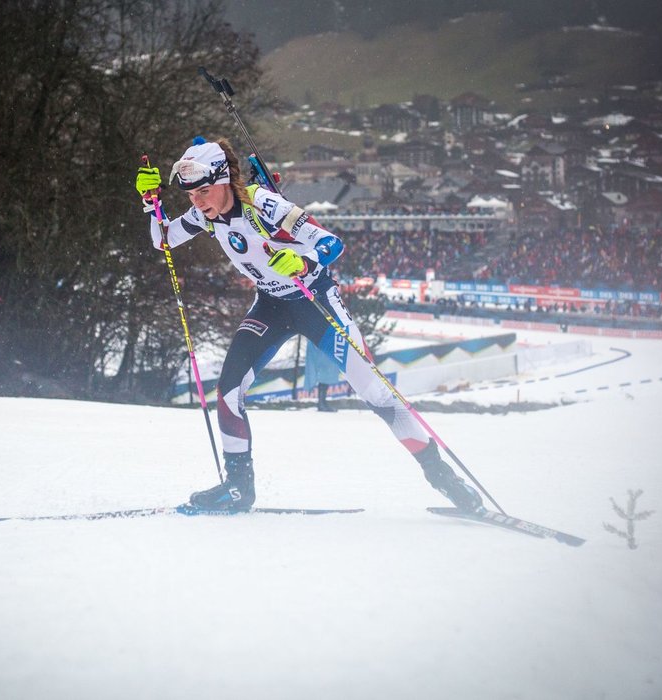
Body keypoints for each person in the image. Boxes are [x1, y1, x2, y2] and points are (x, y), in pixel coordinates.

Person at [135, 138, 483, 513]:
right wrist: (151, 203)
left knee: (376, 393)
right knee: (229, 389)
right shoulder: (205, 215)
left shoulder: (263, 204)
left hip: (315, 302)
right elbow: (164, 240)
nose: (198, 201)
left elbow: (331, 243)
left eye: (204, 191)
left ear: (225, 178)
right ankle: (237, 489)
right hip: (270, 305)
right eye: (190, 195)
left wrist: (302, 262)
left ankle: (442, 478)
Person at [303, 338, 340, 412]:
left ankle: (322, 403)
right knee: (323, 378)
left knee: (325, 379)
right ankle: (321, 404)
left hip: (322, 350)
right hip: (320, 351)